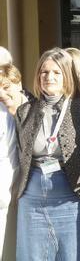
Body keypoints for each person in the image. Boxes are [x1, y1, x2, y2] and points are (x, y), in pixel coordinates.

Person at [15, 48, 80, 261]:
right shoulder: (25, 111)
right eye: (44, 72)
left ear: (67, 75)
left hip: (75, 199)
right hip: (33, 201)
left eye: (56, 72)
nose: (49, 77)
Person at [0, 65, 19, 260]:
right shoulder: (3, 114)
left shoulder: (31, 110)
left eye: (6, 87)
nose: (2, 93)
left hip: (21, 195)